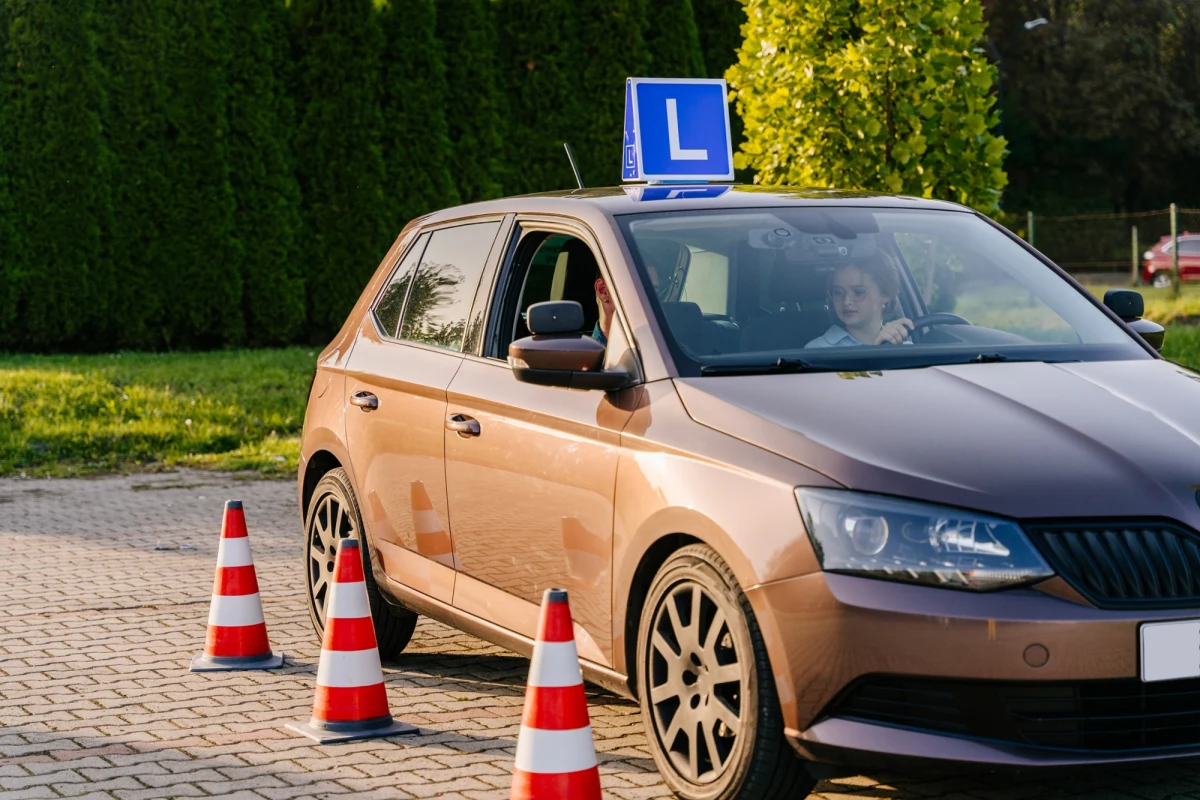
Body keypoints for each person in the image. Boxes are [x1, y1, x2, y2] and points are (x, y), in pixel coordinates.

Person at [806, 253, 914, 348]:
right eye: (838, 292)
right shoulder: (818, 350)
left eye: (858, 292)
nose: (846, 301)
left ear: (885, 293)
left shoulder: (905, 349)